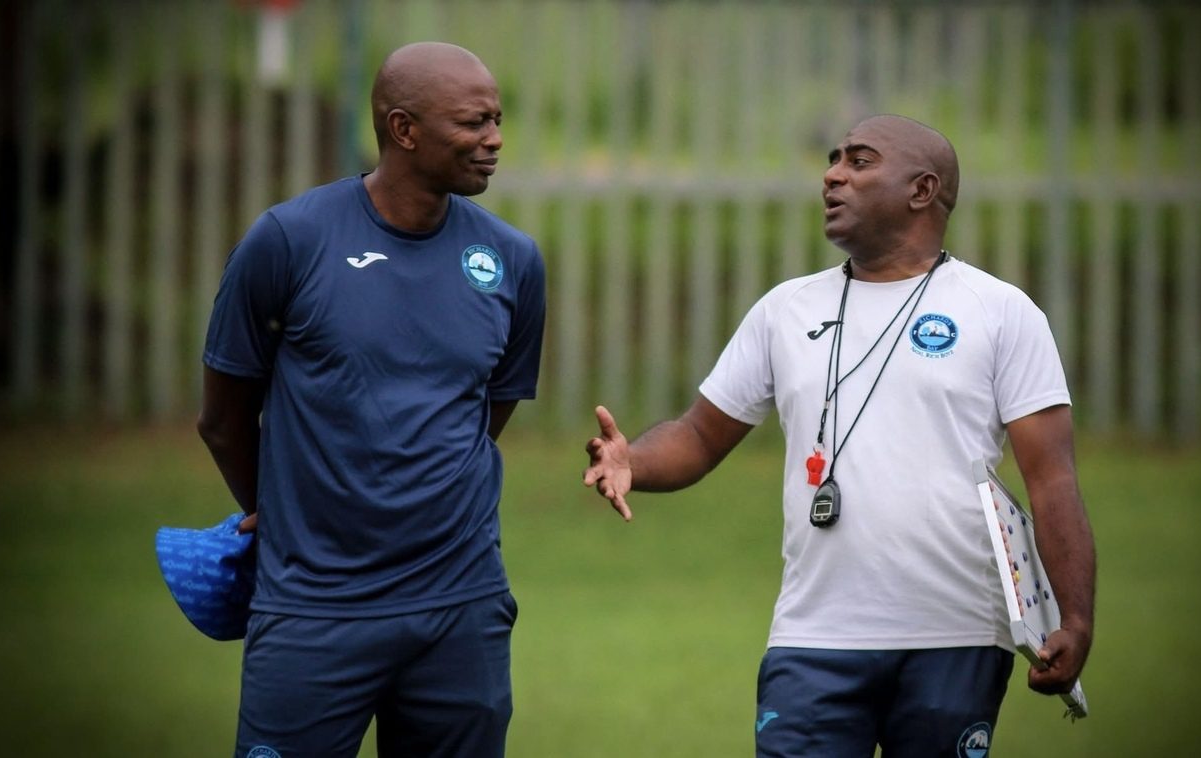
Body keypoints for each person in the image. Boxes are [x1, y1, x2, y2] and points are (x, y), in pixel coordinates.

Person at [583, 114, 1094, 757]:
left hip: (957, 635)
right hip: (813, 637)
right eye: (834, 159)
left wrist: (1076, 619)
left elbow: (1052, 480)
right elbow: (699, 435)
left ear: (922, 190)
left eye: (859, 161)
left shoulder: (1001, 313)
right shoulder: (785, 310)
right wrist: (633, 461)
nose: (832, 175)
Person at [197, 42, 545, 757]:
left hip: (461, 607)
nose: (494, 140)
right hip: (313, 610)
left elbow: (483, 417)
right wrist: (284, 514)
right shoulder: (289, 241)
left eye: (497, 120)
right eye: (473, 123)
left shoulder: (512, 260)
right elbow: (223, 419)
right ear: (403, 129)